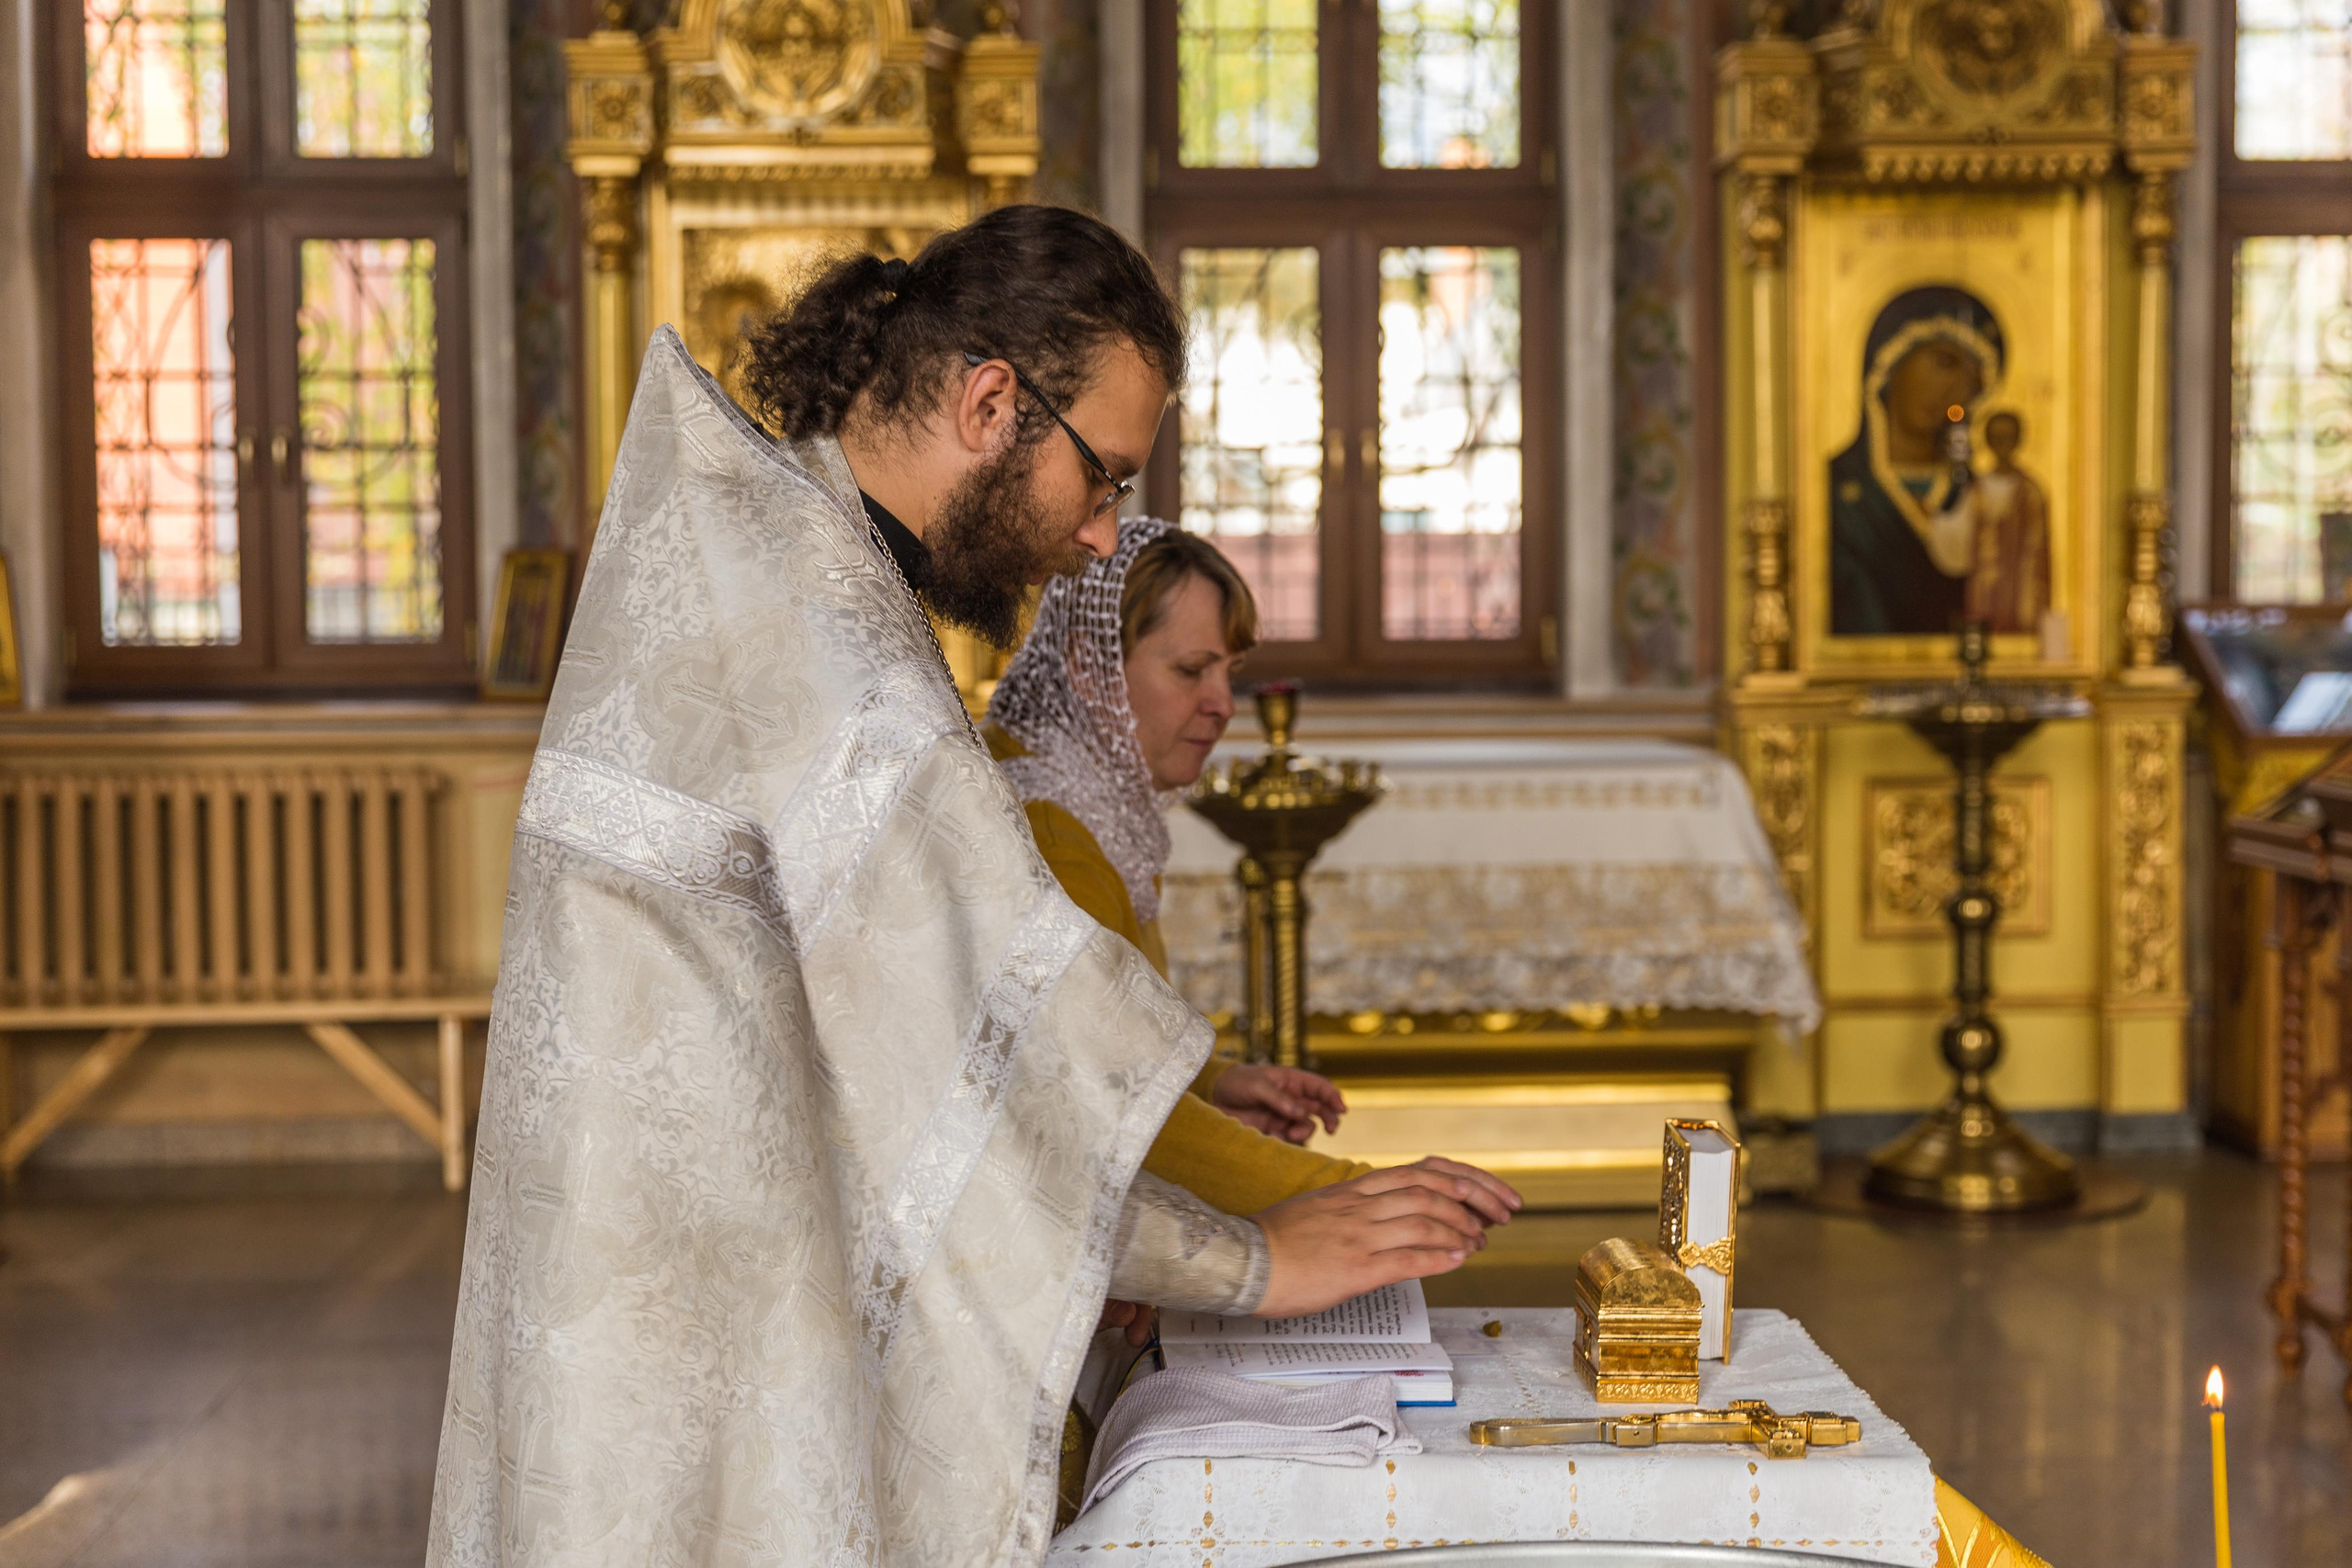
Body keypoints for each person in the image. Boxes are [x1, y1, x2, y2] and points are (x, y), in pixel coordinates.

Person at [428, 205, 1511, 1568]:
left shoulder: (778, 543)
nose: (1109, 536)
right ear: (993, 400)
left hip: (644, 1304)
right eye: (1104, 476)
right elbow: (971, 1069)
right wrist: (1258, 1260)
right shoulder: (833, 643)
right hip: (696, 1321)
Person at [985, 518, 1381, 1211]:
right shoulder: (1051, 836)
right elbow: (1110, 1108)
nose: (1225, 705)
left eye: (1230, 672)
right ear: (1088, 665)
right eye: (1192, 670)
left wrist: (1210, 1085)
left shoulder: (1094, 807)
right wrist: (1355, 1196)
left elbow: (1095, 1051)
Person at [1828, 285, 2006, 637]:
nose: (1955, 391)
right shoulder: (1836, 492)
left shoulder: (1977, 495)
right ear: (1890, 359)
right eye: (1944, 362)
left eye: (1973, 381)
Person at [1962, 410, 2051, 637]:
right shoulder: (1975, 490)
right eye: (1996, 438)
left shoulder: (2030, 492)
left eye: (2008, 438)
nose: (2002, 445)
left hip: (2018, 587)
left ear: (2019, 441)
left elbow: (2038, 551)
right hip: (1982, 586)